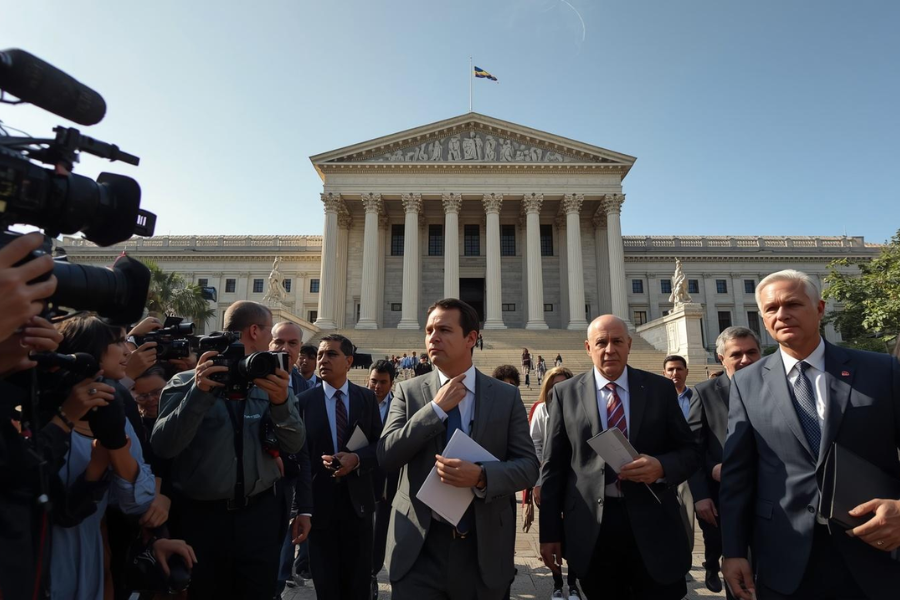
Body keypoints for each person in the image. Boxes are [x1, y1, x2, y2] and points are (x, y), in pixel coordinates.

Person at [721, 270, 900, 600]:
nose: (782, 314)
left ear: (819, 308)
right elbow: (738, 476)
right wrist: (732, 551)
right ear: (762, 317)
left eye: (792, 304)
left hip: (874, 549)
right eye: (771, 308)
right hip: (783, 557)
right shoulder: (746, 383)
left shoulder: (882, 371)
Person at [378, 298, 539, 600]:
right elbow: (387, 455)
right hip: (418, 550)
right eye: (429, 330)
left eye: (444, 330)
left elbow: (529, 467)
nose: (432, 338)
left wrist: (481, 476)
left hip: (481, 550)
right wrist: (435, 410)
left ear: (471, 338)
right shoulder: (408, 392)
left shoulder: (505, 397)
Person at [539, 315, 700, 600]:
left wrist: (661, 466)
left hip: (654, 522)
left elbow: (689, 451)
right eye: (601, 342)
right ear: (588, 348)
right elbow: (554, 466)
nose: (609, 349)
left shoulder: (659, 389)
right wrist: (549, 533)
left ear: (629, 345)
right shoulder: (566, 393)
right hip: (594, 527)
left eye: (617, 341)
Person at [151, 301, 305, 599]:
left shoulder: (271, 385)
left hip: (259, 518)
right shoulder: (184, 383)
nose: (273, 342)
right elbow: (164, 446)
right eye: (270, 332)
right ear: (255, 331)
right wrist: (198, 394)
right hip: (202, 521)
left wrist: (281, 403)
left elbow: (294, 444)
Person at [52, 315, 159, 600]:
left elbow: (139, 500)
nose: (128, 351)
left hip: (92, 558)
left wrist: (115, 448)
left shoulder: (114, 411)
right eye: (118, 341)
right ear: (87, 352)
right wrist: (98, 464)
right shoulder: (40, 414)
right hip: (42, 557)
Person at [290, 333, 383, 600]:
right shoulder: (304, 402)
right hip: (320, 508)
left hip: (359, 507)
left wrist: (356, 459)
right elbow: (299, 458)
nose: (323, 360)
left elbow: (379, 445)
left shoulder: (366, 399)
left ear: (349, 361)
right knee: (326, 584)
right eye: (320, 354)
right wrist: (300, 509)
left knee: (357, 584)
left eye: (331, 354)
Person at [687, 326, 761, 597]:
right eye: (737, 354)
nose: (745, 360)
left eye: (752, 352)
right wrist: (701, 494)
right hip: (723, 500)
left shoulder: (777, 387)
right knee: (739, 575)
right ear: (721, 358)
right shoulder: (705, 392)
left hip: (773, 499)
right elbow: (693, 449)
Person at [526, 366, 578, 600]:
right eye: (555, 385)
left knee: (576, 535)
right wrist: (537, 483)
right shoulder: (541, 410)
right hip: (549, 481)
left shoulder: (580, 407)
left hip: (576, 483)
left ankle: (574, 584)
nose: (560, 389)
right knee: (552, 533)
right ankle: (558, 583)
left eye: (564, 384)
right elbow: (534, 445)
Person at [269, 321, 311, 593]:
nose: (285, 349)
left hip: (287, 484)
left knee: (276, 549)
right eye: (279, 343)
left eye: (292, 343)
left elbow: (304, 449)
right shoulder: (252, 377)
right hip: (257, 480)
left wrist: (305, 508)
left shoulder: (304, 385)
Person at [367, 360, 398, 599]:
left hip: (387, 480)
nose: (377, 386)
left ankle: (372, 573)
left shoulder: (399, 404)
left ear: (391, 383)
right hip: (361, 474)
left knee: (380, 529)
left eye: (383, 382)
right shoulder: (358, 400)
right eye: (374, 381)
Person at [662, 355, 696, 559]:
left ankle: (686, 557)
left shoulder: (696, 397)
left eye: (679, 369)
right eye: (671, 370)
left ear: (686, 372)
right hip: (663, 464)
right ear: (664, 373)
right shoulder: (655, 398)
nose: (675, 374)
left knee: (687, 515)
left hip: (687, 465)